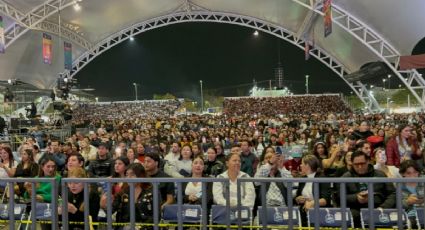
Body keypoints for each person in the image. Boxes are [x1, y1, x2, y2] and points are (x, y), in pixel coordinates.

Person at [340, 151, 396, 227]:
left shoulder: (380, 175)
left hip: (380, 208)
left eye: (362, 164)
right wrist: (356, 198)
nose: (360, 167)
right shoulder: (345, 178)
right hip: (356, 211)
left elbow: (392, 194)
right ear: (352, 164)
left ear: (368, 161)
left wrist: (383, 207)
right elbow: (340, 198)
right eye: (356, 164)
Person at [113, 163, 157, 230]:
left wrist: (140, 227)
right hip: (125, 227)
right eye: (127, 175)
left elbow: (157, 216)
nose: (128, 178)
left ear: (141, 176)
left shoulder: (152, 191)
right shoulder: (122, 192)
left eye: (132, 174)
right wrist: (104, 206)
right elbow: (112, 209)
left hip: (146, 228)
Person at [295, 155, 331, 226]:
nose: (300, 165)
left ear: (307, 165)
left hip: (319, 211)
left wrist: (312, 203)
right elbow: (297, 196)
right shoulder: (303, 179)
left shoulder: (322, 178)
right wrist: (298, 199)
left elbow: (325, 200)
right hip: (304, 211)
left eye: (302, 163)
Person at [399, 160, 424, 229]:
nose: (413, 176)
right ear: (402, 174)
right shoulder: (398, 186)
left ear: (418, 172)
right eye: (408, 173)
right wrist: (407, 202)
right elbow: (396, 204)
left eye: (415, 172)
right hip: (408, 217)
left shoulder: (423, 181)